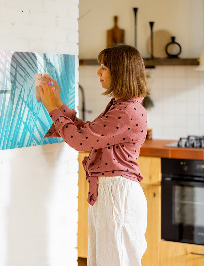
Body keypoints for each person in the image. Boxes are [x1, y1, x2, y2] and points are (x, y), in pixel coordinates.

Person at [37, 44, 149, 266]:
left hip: (117, 195)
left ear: (120, 72)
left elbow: (80, 141)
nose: (98, 72)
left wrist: (52, 107)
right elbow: (88, 133)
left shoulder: (126, 111)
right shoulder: (122, 106)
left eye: (104, 67)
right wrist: (58, 103)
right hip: (112, 193)